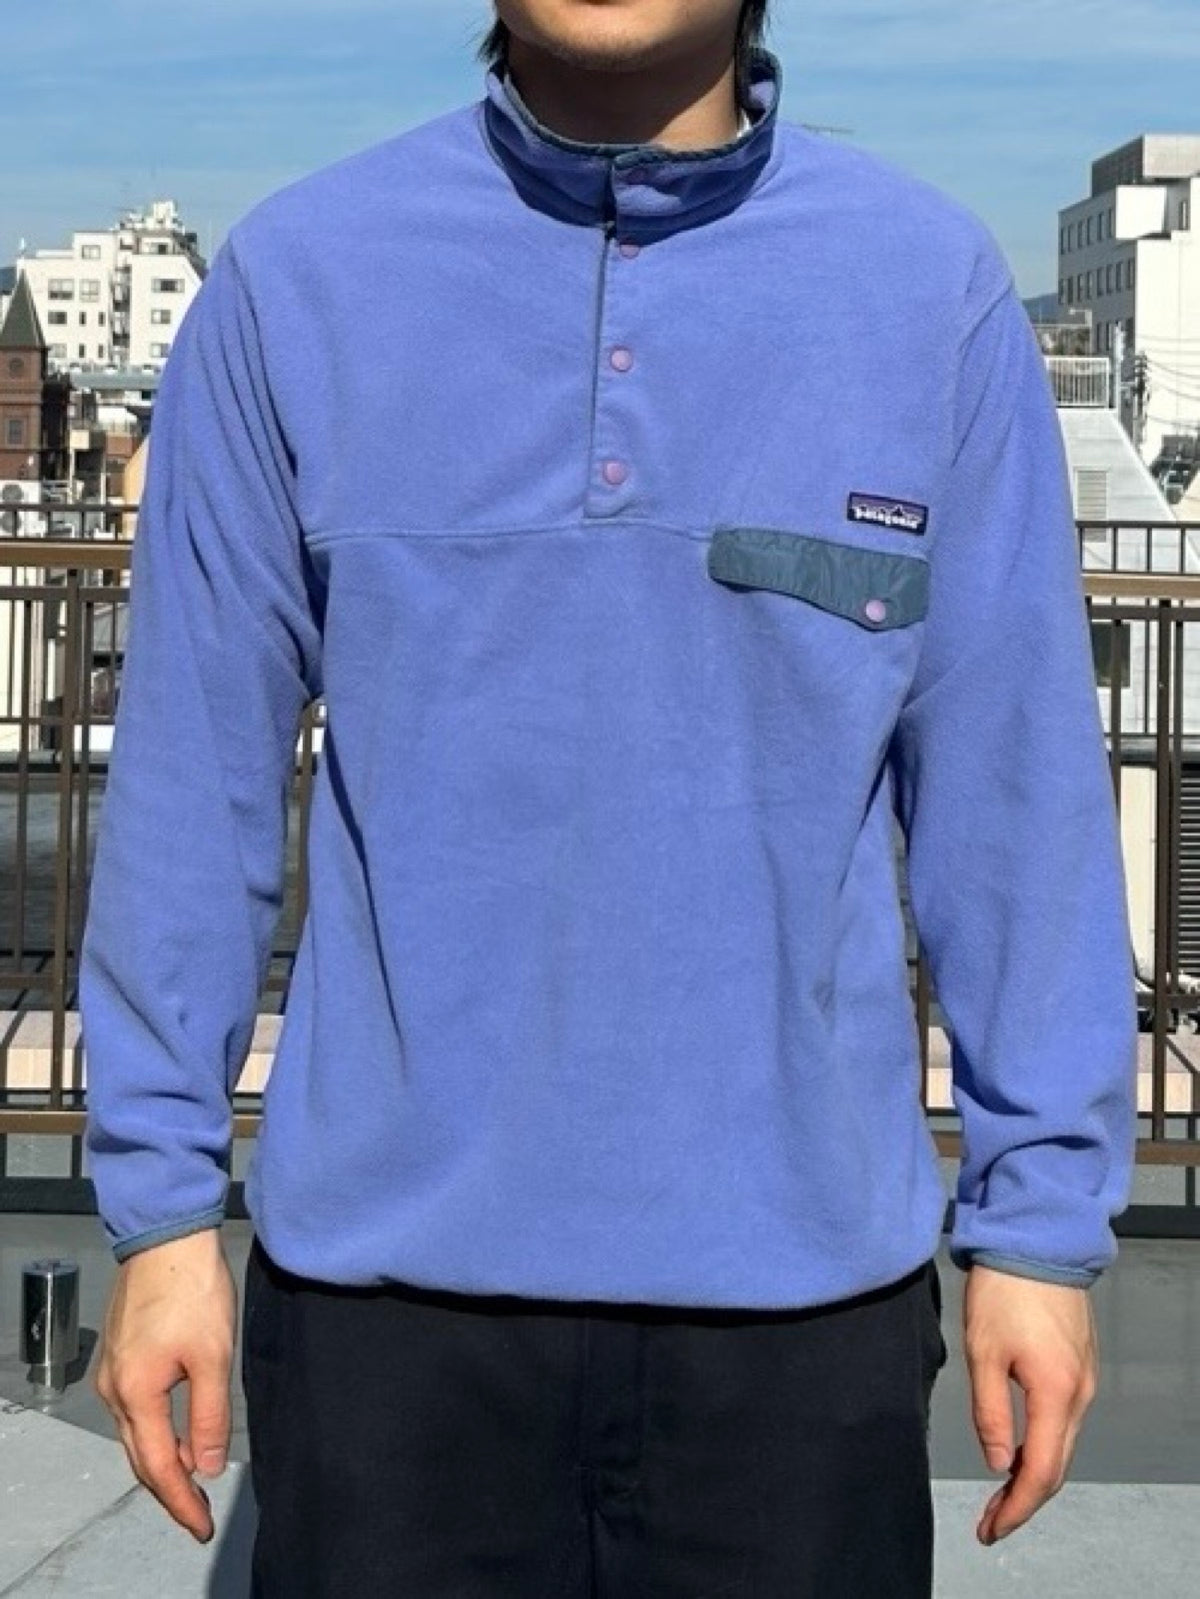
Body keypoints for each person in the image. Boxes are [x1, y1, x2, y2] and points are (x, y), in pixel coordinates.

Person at [80, 2, 1139, 1594]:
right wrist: (161, 1217)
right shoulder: (299, 280)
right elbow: (191, 779)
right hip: (383, 1311)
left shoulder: (928, 289)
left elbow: (1016, 801)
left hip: (804, 1314)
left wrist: (1038, 1225)